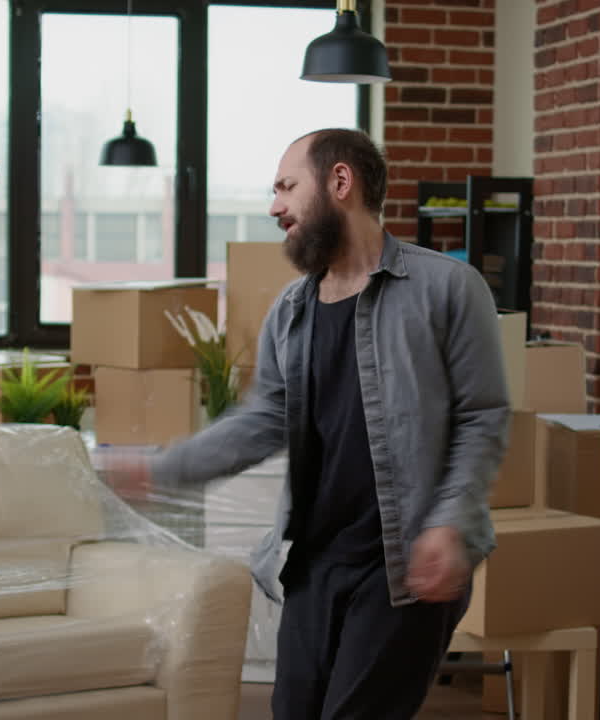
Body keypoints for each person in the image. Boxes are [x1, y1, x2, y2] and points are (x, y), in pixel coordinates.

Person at [106, 128, 509, 719]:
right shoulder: (291, 312)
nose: (275, 207)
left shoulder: (447, 289)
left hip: (402, 566)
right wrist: (163, 468)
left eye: (287, 187)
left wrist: (450, 523)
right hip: (314, 564)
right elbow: (261, 421)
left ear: (340, 182)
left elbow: (483, 418)